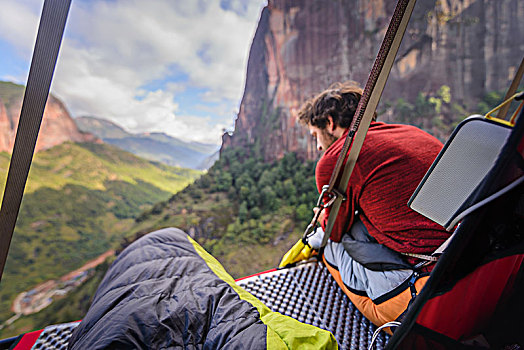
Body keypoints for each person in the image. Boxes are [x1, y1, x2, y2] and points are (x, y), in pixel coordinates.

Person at [297, 81, 450, 327]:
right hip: (469, 244)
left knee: (326, 244)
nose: (317, 146)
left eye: (316, 135)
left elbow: (335, 230)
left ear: (330, 122)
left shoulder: (337, 157)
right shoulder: (410, 131)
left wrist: (323, 216)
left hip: (428, 271)